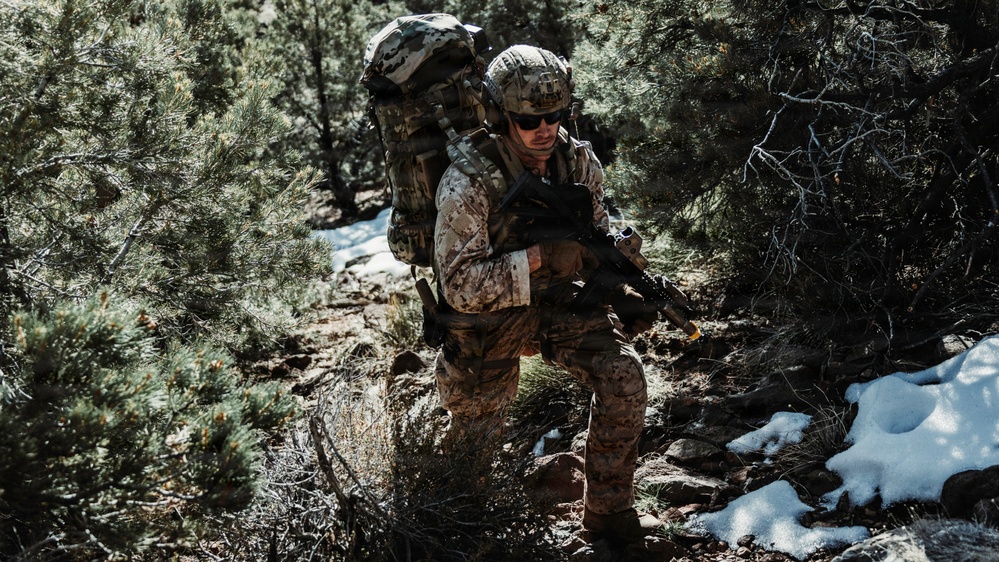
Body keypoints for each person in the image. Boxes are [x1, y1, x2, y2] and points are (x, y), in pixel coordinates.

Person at [431, 44, 660, 542]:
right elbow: (462, 286)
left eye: (555, 115)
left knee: (625, 377)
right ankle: (451, 527)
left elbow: (597, 239)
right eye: (528, 118)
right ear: (498, 115)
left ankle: (609, 515)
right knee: (477, 431)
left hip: (558, 305)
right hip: (488, 318)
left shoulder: (577, 164)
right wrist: (537, 258)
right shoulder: (469, 179)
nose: (545, 128)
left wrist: (621, 290)